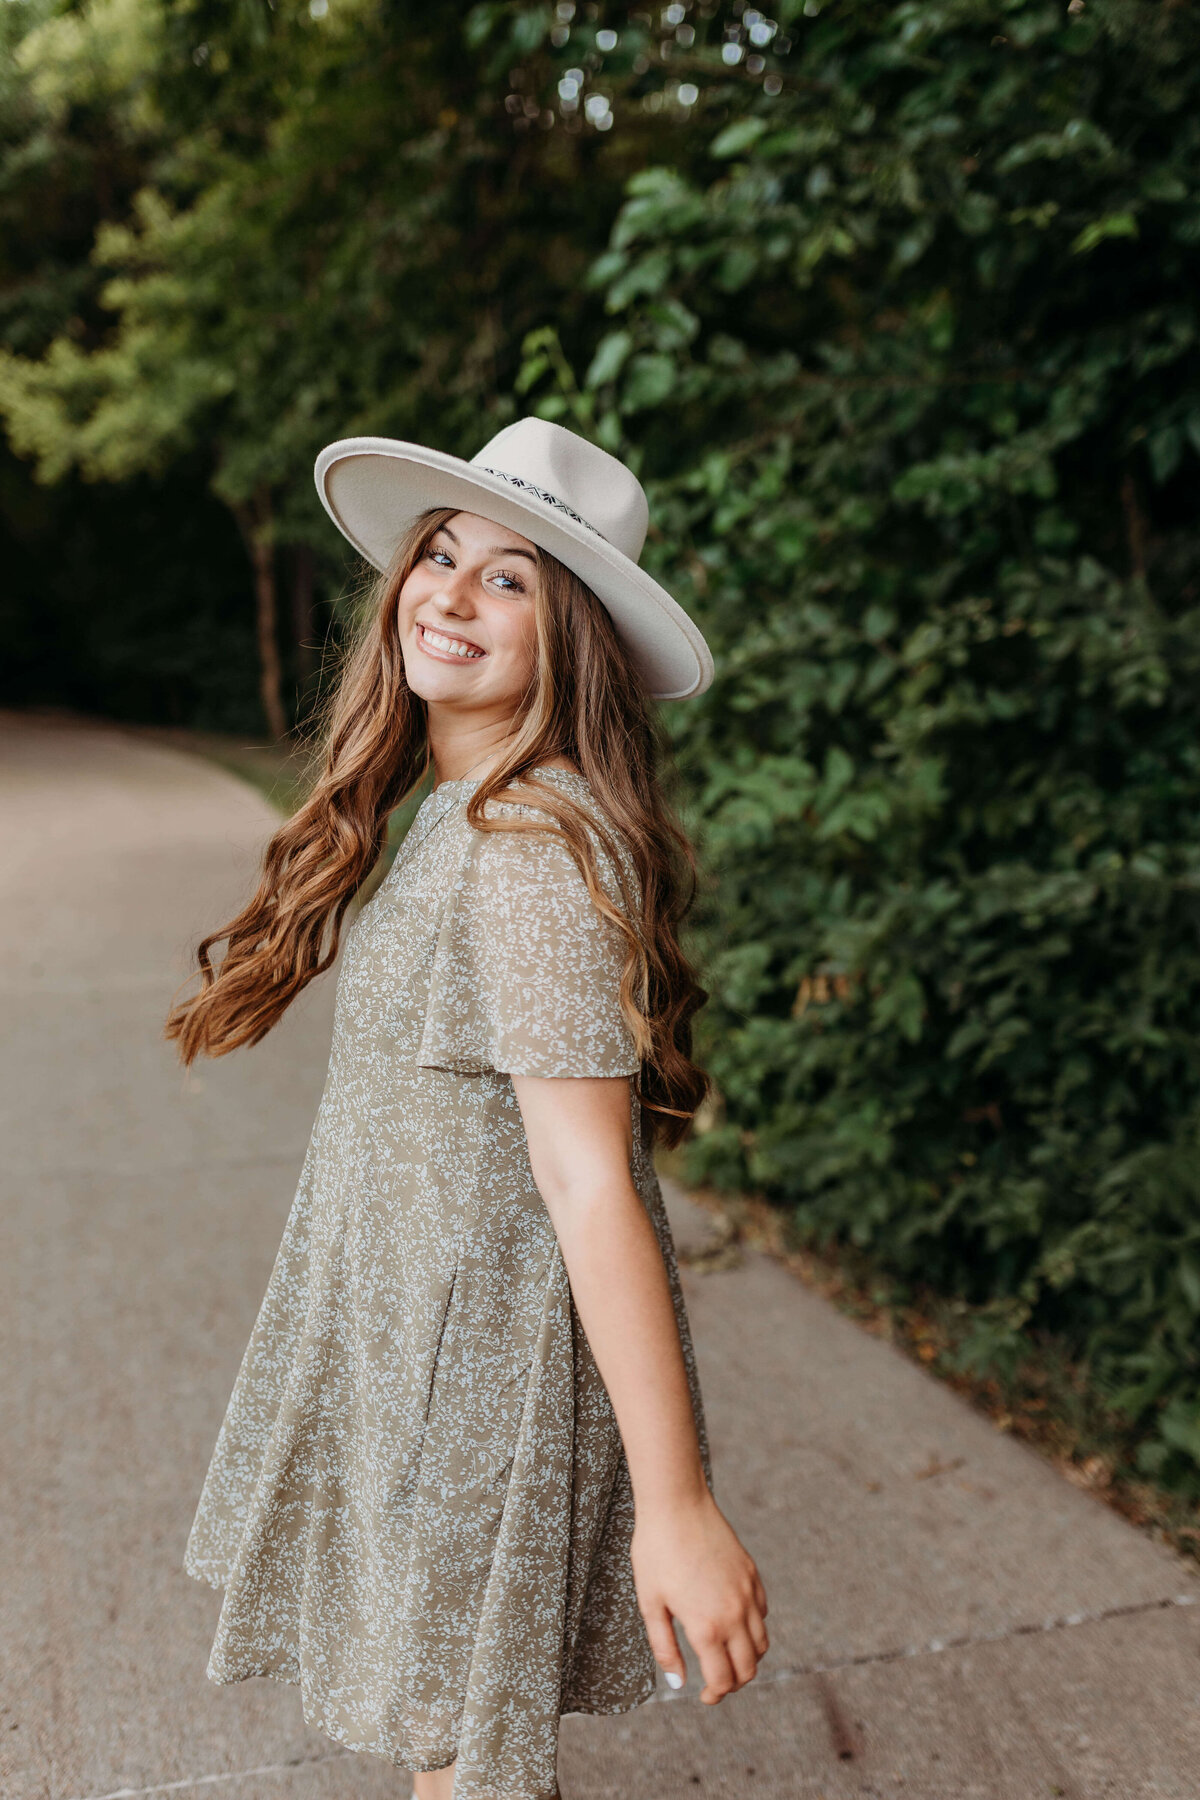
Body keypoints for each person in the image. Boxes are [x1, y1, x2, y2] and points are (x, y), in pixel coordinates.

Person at [168, 418, 769, 1800]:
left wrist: (676, 1508)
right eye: (442, 554)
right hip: (416, 1345)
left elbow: (588, 1178)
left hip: (472, 1382)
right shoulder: (463, 807)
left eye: (512, 579)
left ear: (574, 645)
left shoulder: (532, 845)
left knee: (466, 1764)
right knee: (454, 1748)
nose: (451, 592)